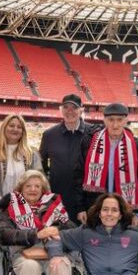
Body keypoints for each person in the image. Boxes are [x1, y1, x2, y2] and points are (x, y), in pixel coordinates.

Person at [0, 114, 42, 244]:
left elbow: (40, 181)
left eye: (19, 127)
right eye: (11, 125)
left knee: (18, 248)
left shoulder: (32, 153)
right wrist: (2, 202)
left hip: (23, 211)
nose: (15, 129)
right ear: (4, 128)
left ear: (23, 131)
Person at [81, 102, 138, 226]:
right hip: (95, 207)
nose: (115, 125)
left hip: (124, 209)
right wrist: (80, 208)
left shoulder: (137, 146)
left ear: (126, 121)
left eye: (119, 120)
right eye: (111, 120)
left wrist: (137, 213)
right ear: (104, 120)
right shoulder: (89, 142)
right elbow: (79, 175)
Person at [39, 94, 96, 222]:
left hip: (86, 201)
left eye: (74, 108)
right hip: (58, 199)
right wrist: (51, 181)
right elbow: (41, 166)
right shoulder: (49, 135)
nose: (69, 111)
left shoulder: (93, 133)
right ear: (61, 110)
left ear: (81, 110)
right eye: (66, 107)